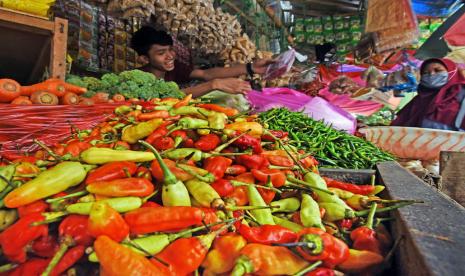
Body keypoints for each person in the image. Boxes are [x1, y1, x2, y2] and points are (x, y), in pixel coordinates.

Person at [130, 26, 274, 97]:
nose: (170, 56)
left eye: (170, 50)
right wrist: (214, 85)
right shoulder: (136, 80)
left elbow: (205, 74)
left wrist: (250, 67)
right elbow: (163, 98)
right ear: (144, 58)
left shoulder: (174, 68)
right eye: (161, 53)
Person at [391, 58, 465, 131]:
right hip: (417, 140)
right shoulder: (420, 99)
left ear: (452, 71)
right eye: (425, 73)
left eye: (438, 70)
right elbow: (399, 126)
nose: (432, 74)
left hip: (454, 141)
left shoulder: (461, 93)